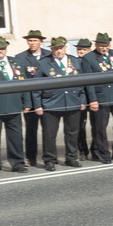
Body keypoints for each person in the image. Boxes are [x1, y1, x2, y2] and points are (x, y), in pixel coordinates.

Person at [38, 37, 92, 170]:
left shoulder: (74, 61)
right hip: (51, 102)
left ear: (65, 48)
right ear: (51, 49)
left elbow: (82, 82)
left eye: (61, 48)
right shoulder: (43, 62)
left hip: (72, 101)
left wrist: (83, 100)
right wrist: (38, 105)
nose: (58, 51)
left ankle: (71, 157)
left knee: (72, 132)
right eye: (55, 48)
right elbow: (36, 85)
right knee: (50, 133)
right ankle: (49, 159)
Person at [0, 37, 30, 173]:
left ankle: (18, 163)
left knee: (16, 137)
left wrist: (26, 102)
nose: (0, 51)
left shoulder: (16, 62)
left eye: (2, 48)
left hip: (14, 106)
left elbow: (24, 83)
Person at [82, 33, 113, 163]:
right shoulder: (89, 58)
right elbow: (88, 81)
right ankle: (104, 154)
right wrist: (92, 99)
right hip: (101, 96)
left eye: (106, 46)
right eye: (101, 46)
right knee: (100, 127)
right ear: (96, 45)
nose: (104, 48)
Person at [12, 31, 49, 168]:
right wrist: (25, 101)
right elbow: (22, 81)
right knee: (31, 130)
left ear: (41, 41)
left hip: (47, 98)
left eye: (35, 40)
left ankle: (49, 157)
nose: (32, 43)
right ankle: (31, 157)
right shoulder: (21, 58)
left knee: (48, 129)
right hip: (31, 100)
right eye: (30, 40)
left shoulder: (48, 55)